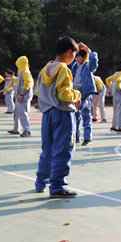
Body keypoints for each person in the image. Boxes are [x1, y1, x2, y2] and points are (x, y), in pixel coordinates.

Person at [35, 36, 82, 198]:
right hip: (63, 113)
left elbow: (37, 91)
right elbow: (64, 94)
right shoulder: (63, 69)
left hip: (47, 113)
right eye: (74, 55)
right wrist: (77, 95)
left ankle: (41, 181)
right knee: (63, 149)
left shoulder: (45, 69)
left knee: (47, 149)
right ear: (69, 52)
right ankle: (57, 186)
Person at [70, 44, 99, 146]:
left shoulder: (87, 66)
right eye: (77, 57)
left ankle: (87, 137)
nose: (78, 59)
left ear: (84, 57)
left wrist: (89, 50)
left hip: (85, 94)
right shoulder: (74, 66)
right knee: (75, 116)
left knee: (86, 116)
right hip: (75, 93)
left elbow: (94, 63)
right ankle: (76, 137)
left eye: (80, 57)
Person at [9, 55, 34, 137]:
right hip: (20, 95)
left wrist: (22, 94)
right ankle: (16, 129)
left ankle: (27, 130)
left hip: (23, 95)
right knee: (16, 113)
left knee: (23, 113)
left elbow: (29, 83)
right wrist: (13, 78)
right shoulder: (22, 71)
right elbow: (20, 81)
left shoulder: (25, 72)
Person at [106, 63, 121, 133]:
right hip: (120, 94)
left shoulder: (116, 73)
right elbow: (119, 81)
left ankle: (114, 126)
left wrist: (110, 87)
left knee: (116, 110)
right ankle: (120, 127)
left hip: (115, 94)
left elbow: (107, 79)